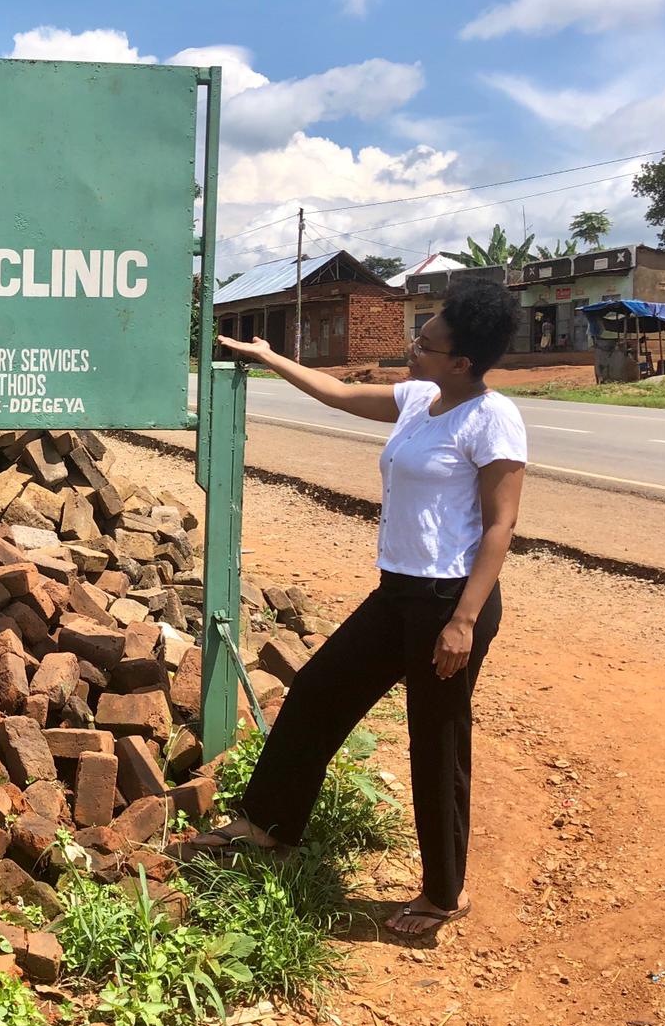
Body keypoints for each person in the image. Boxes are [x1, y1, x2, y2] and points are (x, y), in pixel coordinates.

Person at [214, 278, 527, 939]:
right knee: (318, 693)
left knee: (436, 746)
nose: (413, 348)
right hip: (398, 592)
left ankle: (443, 895)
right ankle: (269, 826)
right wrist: (268, 356)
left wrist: (465, 621)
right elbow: (339, 393)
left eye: (427, 342)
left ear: (463, 361)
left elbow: (501, 527)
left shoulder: (492, 418)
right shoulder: (419, 399)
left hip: (450, 601)